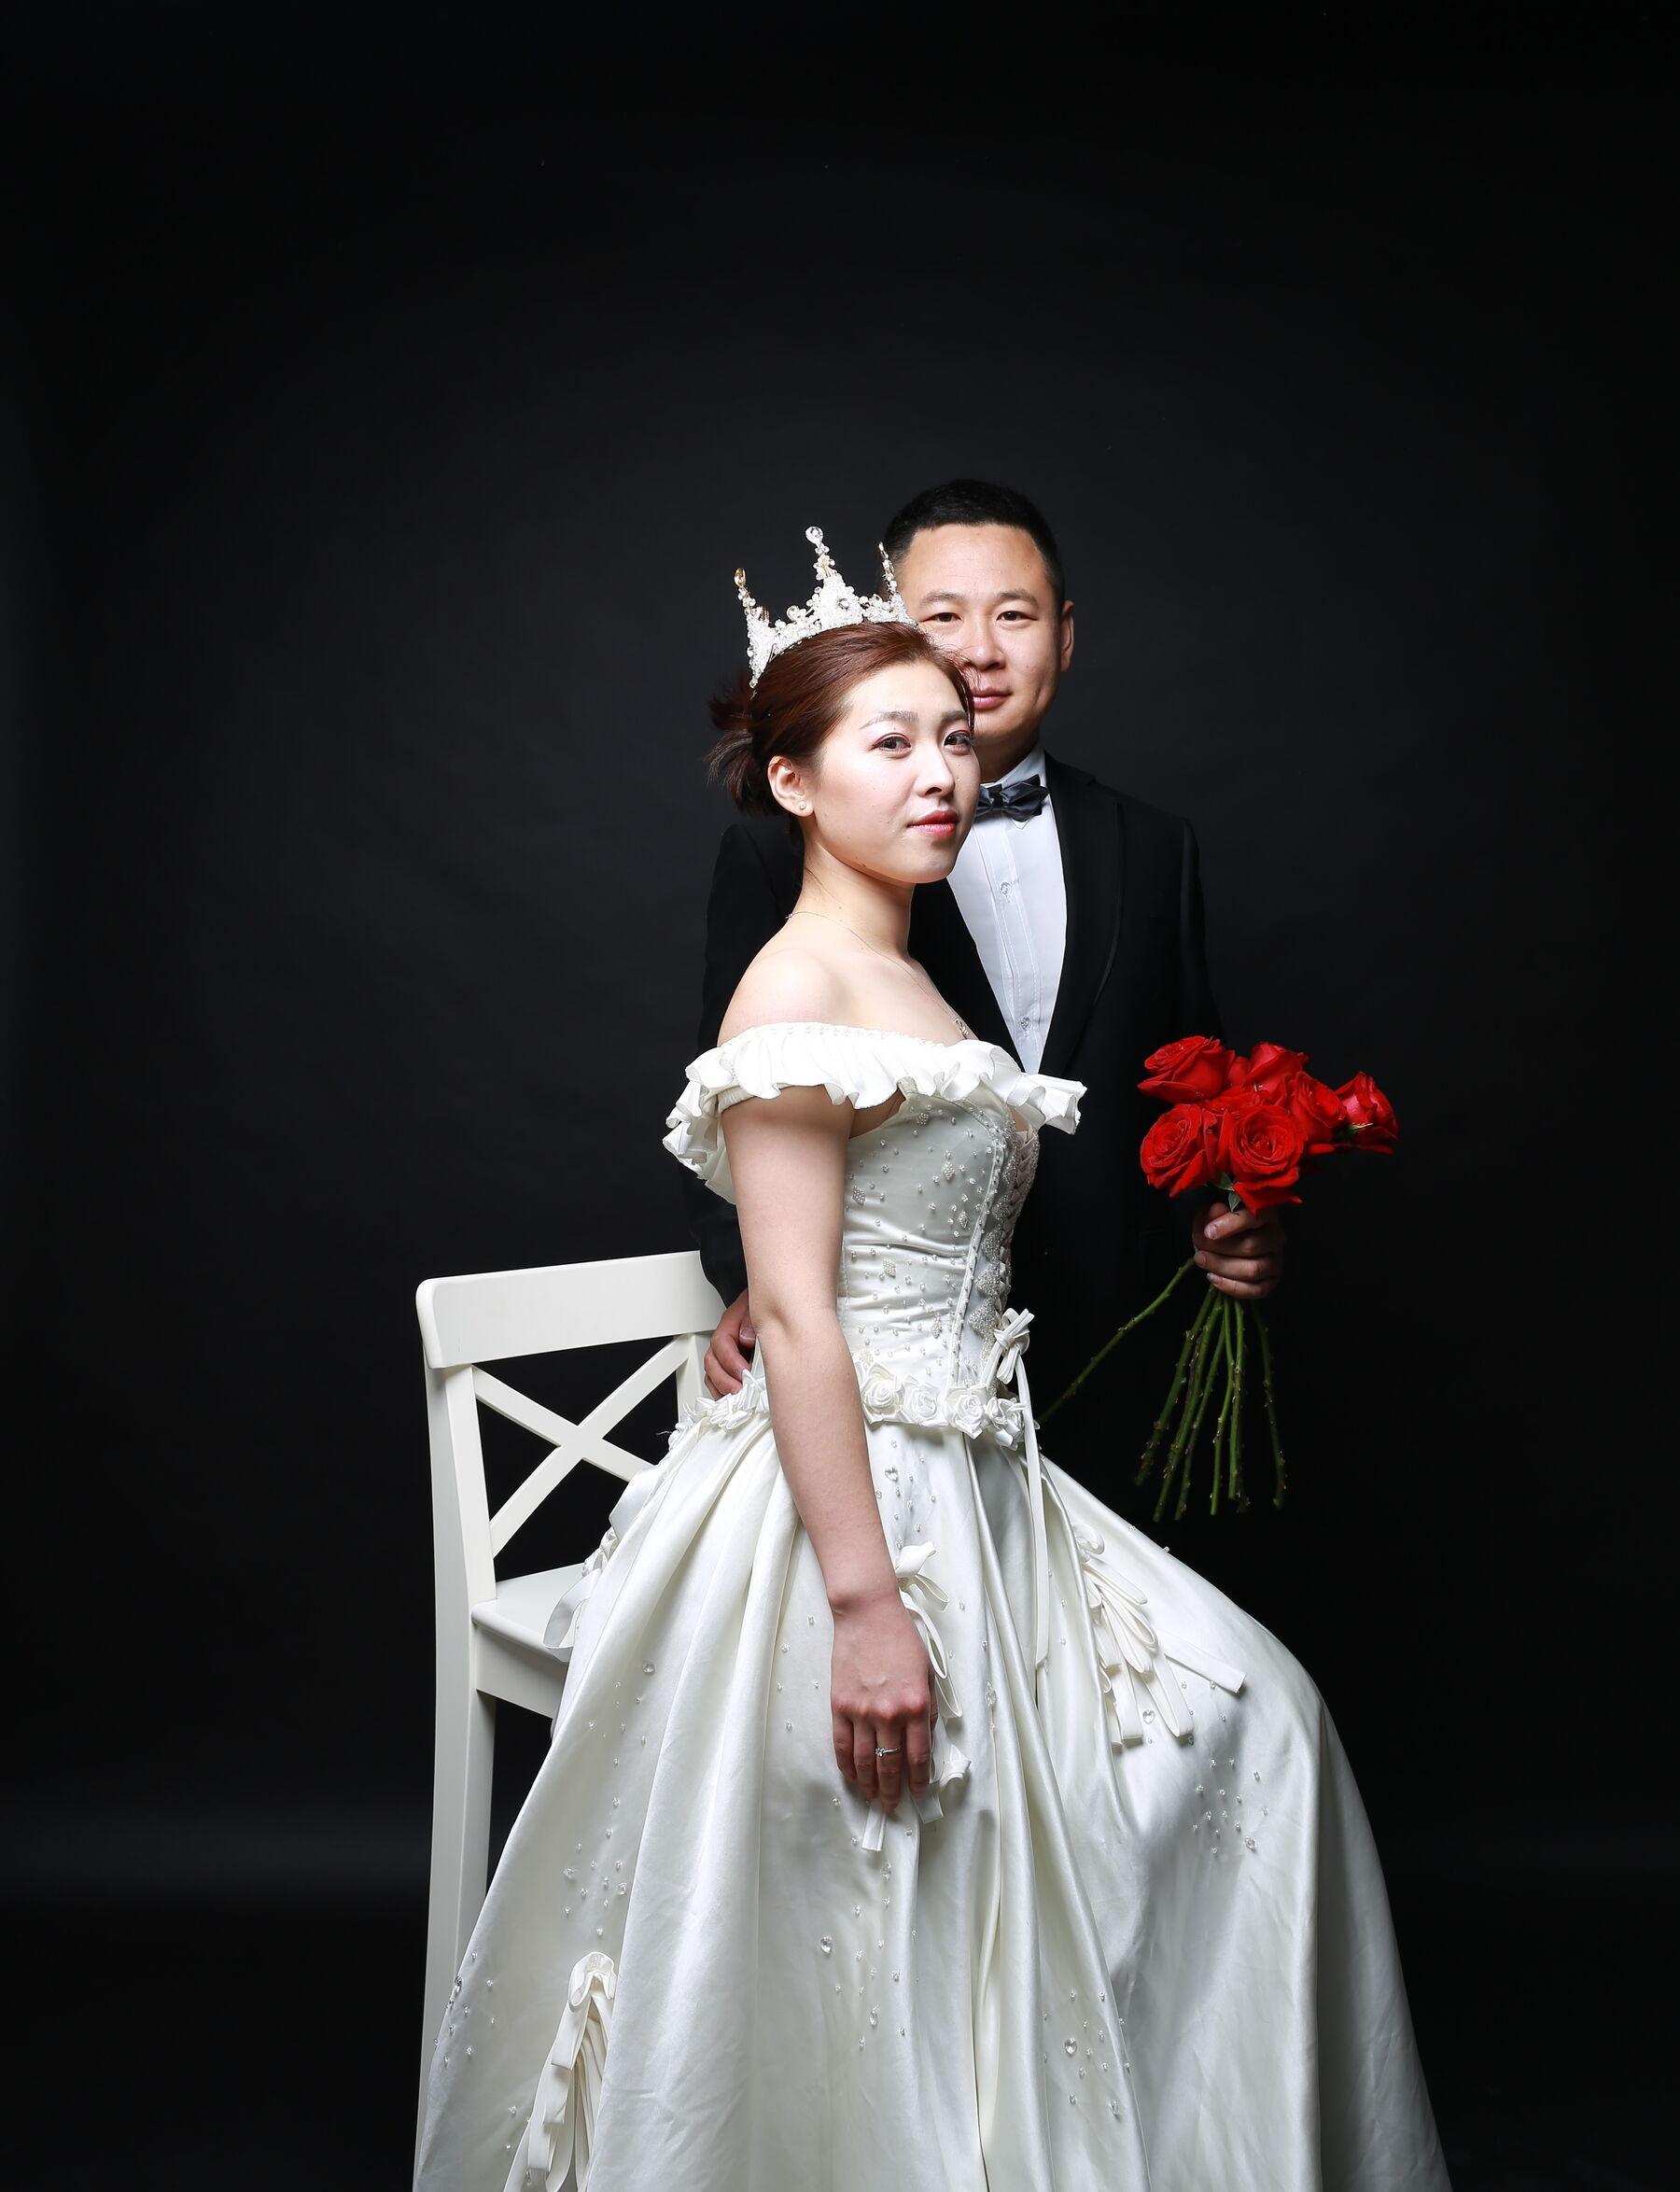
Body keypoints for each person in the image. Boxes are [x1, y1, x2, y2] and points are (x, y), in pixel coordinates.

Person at [412, 529, 1449, 2191]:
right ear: (795, 782)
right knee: (920, 1841)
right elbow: (799, 1311)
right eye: (890, 742)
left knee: (1262, 1714)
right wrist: (865, 1605)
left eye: (952, 738)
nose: (940, 771)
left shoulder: (900, 962)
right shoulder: (798, 987)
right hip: (857, 1497)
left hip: (985, 1464)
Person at [686, 478, 1283, 1487]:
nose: (979, 651)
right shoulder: (783, 855)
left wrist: (1236, 1218)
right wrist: (763, 1287)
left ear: (1065, 633)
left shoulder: (1153, 845)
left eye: (1014, 615)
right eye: (942, 619)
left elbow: (1196, 1082)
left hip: (1127, 1354)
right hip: (889, 1385)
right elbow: (739, 1085)